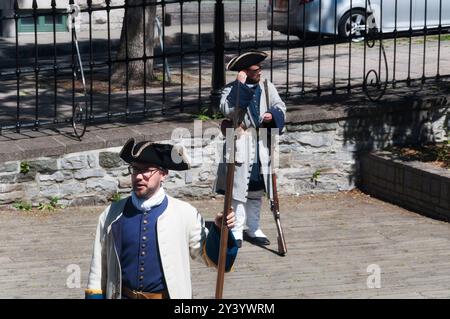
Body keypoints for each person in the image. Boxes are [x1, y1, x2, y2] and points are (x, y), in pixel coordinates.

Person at [85, 138, 238, 299]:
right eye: (135, 170)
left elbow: (211, 258)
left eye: (146, 170)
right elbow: (98, 269)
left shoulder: (184, 213)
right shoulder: (112, 213)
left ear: (163, 174)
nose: (138, 177)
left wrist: (220, 230)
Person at [214, 50, 286, 248]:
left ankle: (253, 228)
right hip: (240, 144)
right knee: (237, 190)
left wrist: (272, 114)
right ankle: (236, 230)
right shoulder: (230, 90)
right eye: (256, 69)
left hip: (262, 144)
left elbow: (280, 105)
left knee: (257, 188)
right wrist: (241, 87)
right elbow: (228, 110)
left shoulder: (267, 86)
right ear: (244, 72)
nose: (260, 72)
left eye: (260, 68)